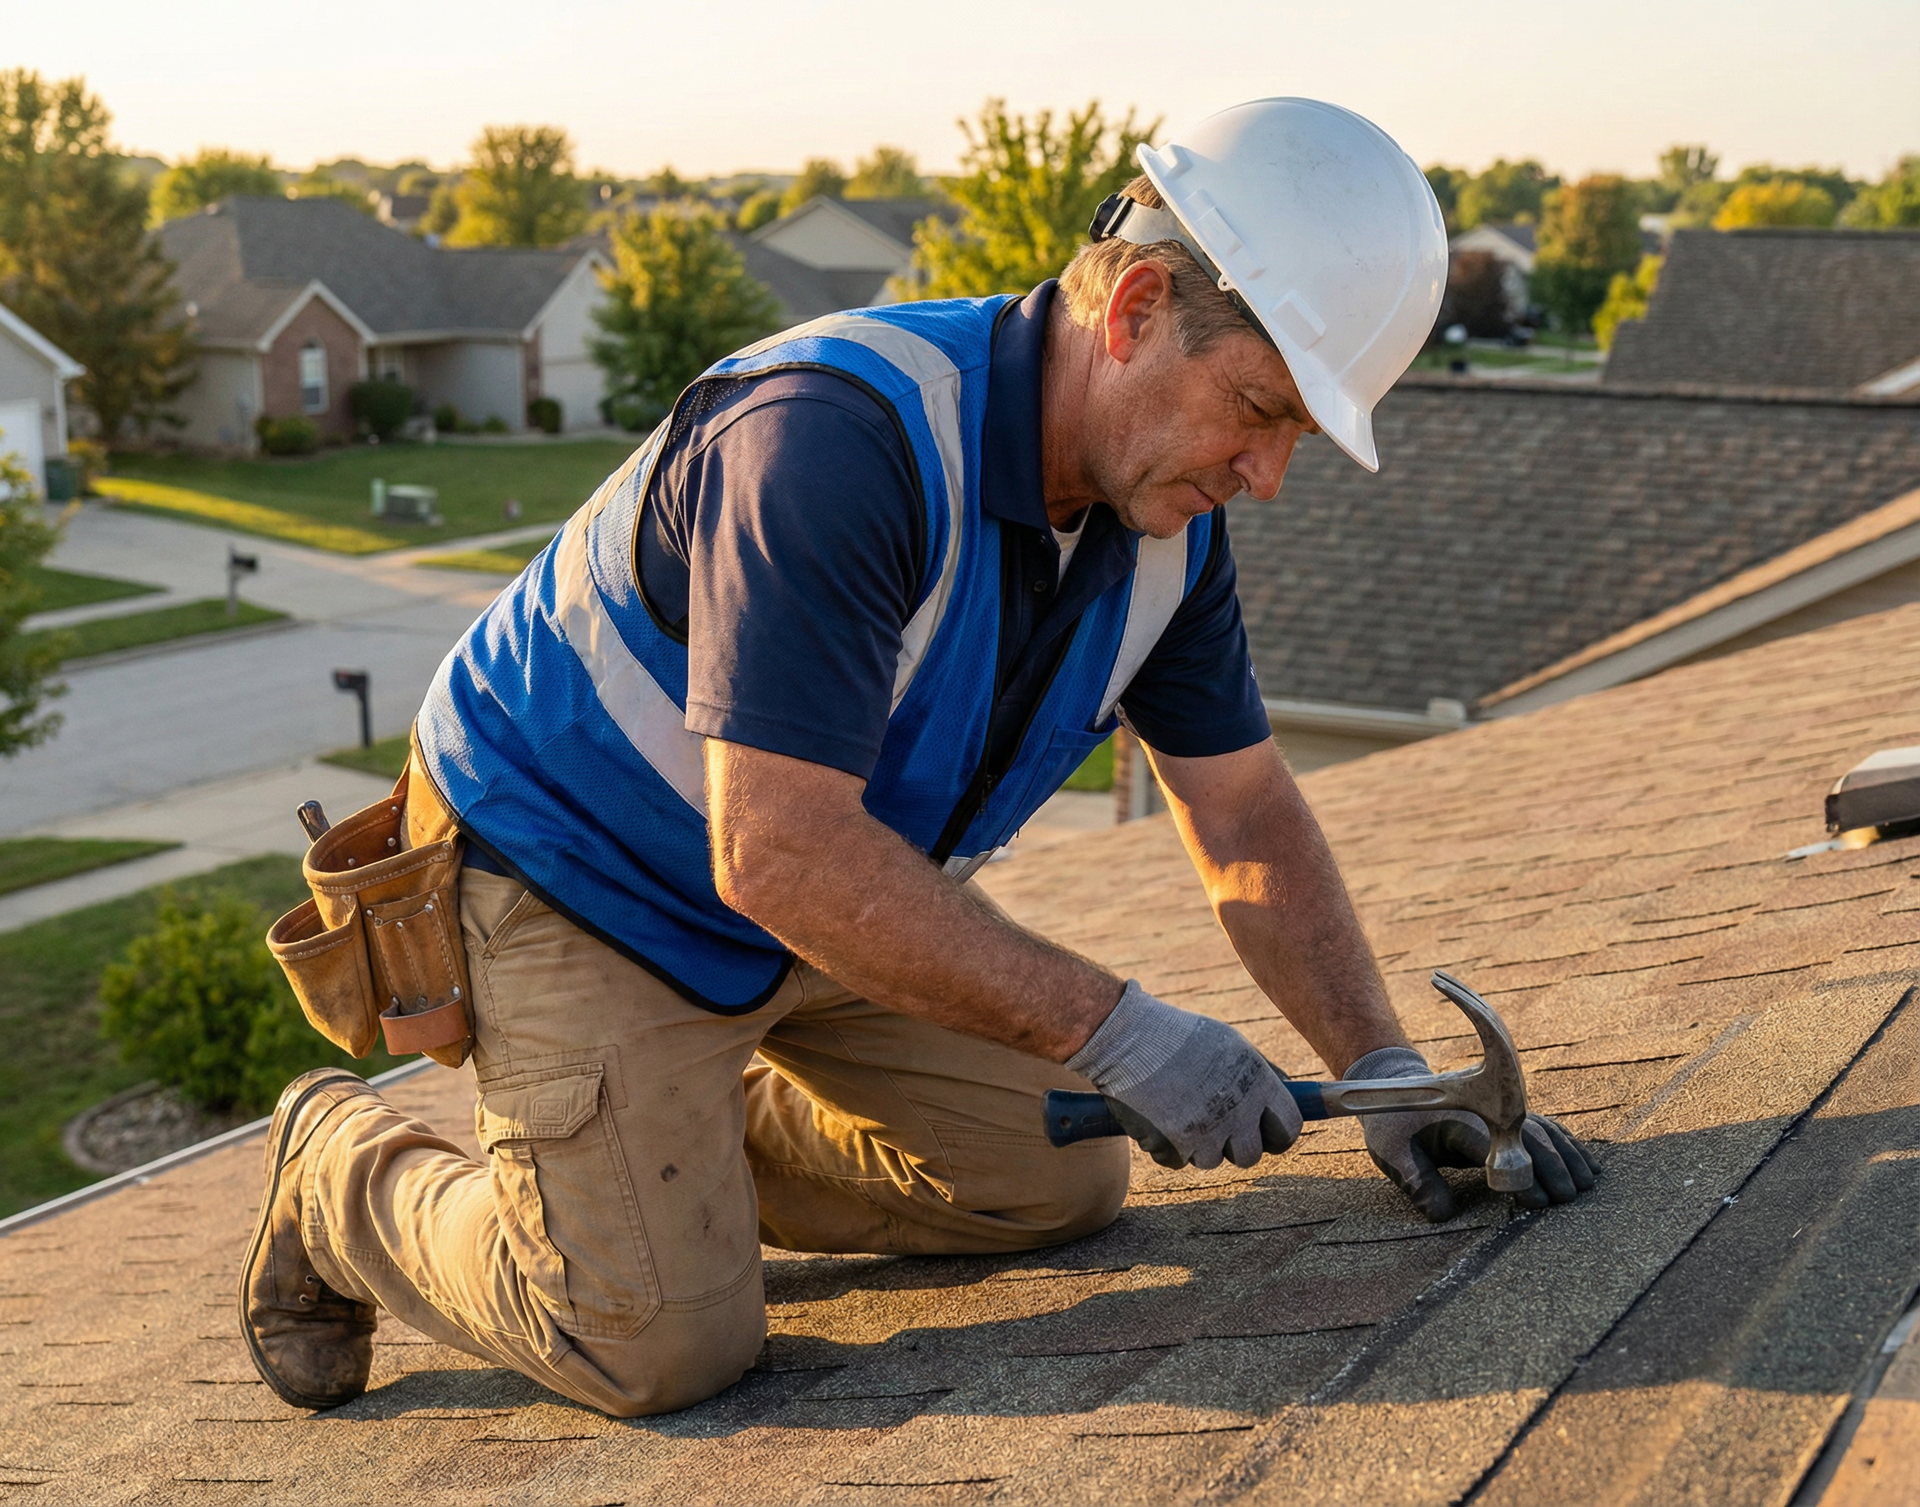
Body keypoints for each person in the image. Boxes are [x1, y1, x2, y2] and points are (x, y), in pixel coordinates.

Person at [241, 98, 1594, 1419]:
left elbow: (1241, 812)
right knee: (656, 1341)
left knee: (1059, 1173)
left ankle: (665, 1153)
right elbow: (770, 844)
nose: (1269, 473)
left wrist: (1385, 1073)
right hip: (570, 882)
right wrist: (1116, 1023)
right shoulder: (835, 442)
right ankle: (340, 1162)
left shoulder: (1164, 536)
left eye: (1297, 433)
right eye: (1259, 408)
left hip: (815, 886)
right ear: (1133, 313)